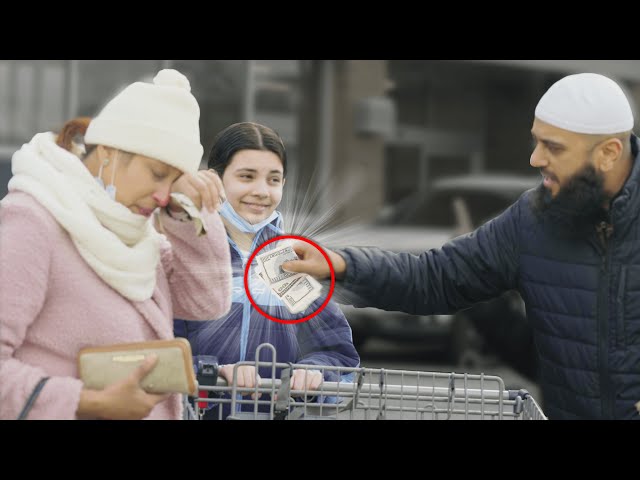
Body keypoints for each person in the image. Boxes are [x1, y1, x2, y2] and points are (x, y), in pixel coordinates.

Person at [282, 73, 640, 420]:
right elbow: (434, 278)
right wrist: (342, 264)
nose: (536, 159)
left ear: (608, 153)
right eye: (537, 141)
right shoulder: (531, 221)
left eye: (554, 147)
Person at [0, 69, 232, 420]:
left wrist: (190, 210)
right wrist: (86, 401)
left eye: (174, 181)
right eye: (157, 173)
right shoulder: (34, 220)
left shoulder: (136, 237)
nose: (163, 195)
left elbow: (208, 301)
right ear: (109, 150)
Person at [174, 122, 359, 419]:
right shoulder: (187, 254)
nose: (261, 191)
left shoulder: (289, 265)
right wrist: (214, 371)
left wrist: (314, 373)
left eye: (273, 180)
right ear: (216, 179)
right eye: (247, 177)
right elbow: (157, 349)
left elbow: (337, 354)